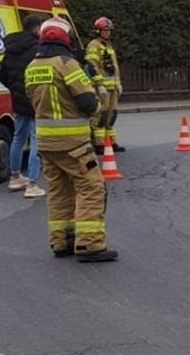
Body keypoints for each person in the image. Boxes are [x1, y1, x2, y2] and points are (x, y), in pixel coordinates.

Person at [25, 17, 118, 263]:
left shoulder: (32, 66)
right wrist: (98, 104)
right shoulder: (67, 64)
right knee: (91, 188)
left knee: (58, 191)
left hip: (45, 143)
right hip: (72, 143)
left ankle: (61, 240)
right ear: (66, 39)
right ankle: (89, 244)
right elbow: (88, 103)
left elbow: (29, 100)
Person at [0, 14, 46, 198]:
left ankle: (15, 177)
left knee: (18, 138)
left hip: (18, 102)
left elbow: (2, 76)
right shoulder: (37, 49)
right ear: (37, 28)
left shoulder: (10, 48)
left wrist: (15, 90)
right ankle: (33, 184)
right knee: (36, 141)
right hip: (34, 101)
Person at [85, 16, 123, 154]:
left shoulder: (108, 46)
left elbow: (114, 67)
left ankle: (110, 142)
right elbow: (92, 66)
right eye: (104, 30)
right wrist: (99, 85)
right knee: (101, 114)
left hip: (112, 87)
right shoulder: (94, 46)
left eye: (109, 30)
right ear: (98, 31)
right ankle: (98, 143)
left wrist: (118, 84)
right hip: (101, 88)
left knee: (112, 114)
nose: (107, 33)